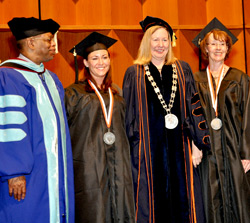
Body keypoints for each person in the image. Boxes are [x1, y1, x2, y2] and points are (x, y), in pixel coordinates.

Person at [123, 16, 210, 223]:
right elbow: (128, 116)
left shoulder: (182, 69)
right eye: (155, 40)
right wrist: (132, 150)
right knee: (150, 203)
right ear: (147, 42)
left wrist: (198, 144)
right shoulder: (133, 73)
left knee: (184, 201)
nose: (160, 45)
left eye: (164, 40)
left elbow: (194, 107)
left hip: (180, 147)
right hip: (147, 151)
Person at [0, 17, 74, 223]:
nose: (53, 45)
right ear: (31, 43)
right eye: (48, 40)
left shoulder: (52, 78)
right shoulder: (8, 76)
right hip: (28, 174)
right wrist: (15, 172)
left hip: (55, 168)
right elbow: (9, 126)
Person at [65, 32, 135, 223]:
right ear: (86, 63)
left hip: (118, 162)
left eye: (104, 57)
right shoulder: (73, 93)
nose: (101, 62)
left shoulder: (117, 92)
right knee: (94, 209)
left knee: (121, 205)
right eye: (95, 58)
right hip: (88, 163)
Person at [192, 17, 250, 223]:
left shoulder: (240, 78)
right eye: (213, 43)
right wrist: (195, 145)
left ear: (228, 49)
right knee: (211, 199)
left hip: (234, 149)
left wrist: (247, 153)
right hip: (207, 150)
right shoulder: (195, 80)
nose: (218, 48)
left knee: (239, 198)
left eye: (222, 44)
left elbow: (248, 116)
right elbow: (191, 116)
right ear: (205, 48)